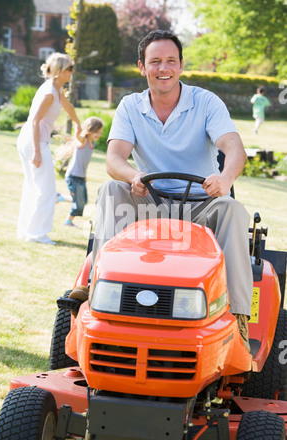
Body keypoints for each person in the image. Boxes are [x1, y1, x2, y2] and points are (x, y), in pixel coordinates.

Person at [82, 30, 252, 351]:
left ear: (182, 65)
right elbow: (115, 158)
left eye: (171, 61)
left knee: (232, 209)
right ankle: (98, 290)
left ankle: (238, 315)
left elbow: (234, 148)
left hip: (201, 204)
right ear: (141, 67)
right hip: (151, 200)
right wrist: (133, 175)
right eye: (155, 61)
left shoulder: (206, 102)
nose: (164, 68)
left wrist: (226, 178)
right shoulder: (130, 107)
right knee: (111, 189)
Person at [17, 52, 82, 245]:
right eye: (70, 68)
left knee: (33, 187)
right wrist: (37, 152)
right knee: (46, 190)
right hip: (34, 142)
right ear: (60, 71)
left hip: (31, 141)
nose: (72, 72)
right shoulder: (48, 93)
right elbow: (35, 121)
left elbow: (67, 106)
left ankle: (27, 232)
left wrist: (78, 123)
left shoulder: (55, 89)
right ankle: (37, 235)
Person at [63, 116, 103, 227]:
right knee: (79, 202)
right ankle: (68, 221)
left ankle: (61, 198)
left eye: (100, 133)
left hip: (80, 176)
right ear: (90, 130)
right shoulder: (83, 141)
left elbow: (85, 162)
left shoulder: (92, 144)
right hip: (73, 176)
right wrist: (78, 127)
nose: (99, 135)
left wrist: (85, 175)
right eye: (97, 132)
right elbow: (78, 136)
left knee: (83, 201)